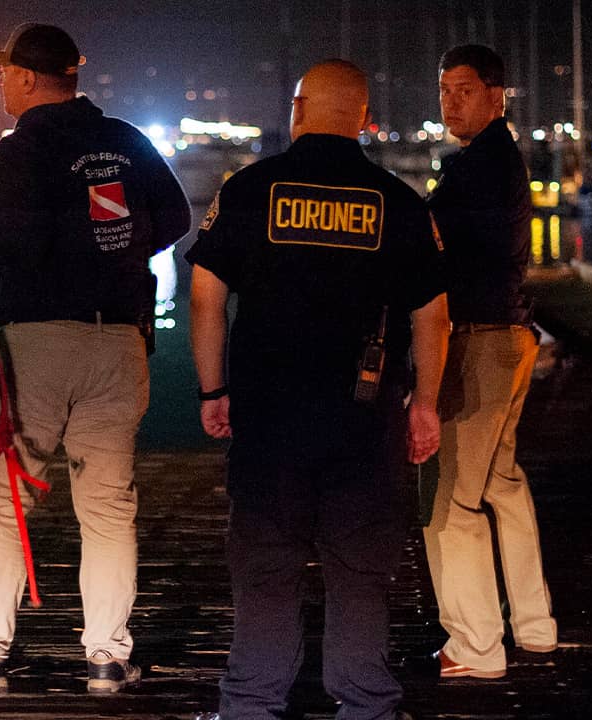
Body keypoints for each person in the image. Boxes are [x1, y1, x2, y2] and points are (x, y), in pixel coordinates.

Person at [0, 23, 190, 696]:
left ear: (31, 79)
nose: (0, 83)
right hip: (120, 340)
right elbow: (174, 219)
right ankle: (108, 660)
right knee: (109, 509)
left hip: (39, 343)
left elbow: (18, 246)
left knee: (3, 502)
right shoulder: (124, 139)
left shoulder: (20, 150)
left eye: (6, 73)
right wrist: (113, 250)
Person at [188, 59, 449, 720]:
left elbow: (205, 297)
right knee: (360, 574)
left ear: (299, 108)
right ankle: (365, 705)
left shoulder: (248, 191)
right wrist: (424, 405)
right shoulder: (399, 203)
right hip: (363, 427)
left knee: (266, 570)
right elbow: (433, 316)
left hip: (269, 423)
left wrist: (212, 390)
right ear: (364, 119)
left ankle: (252, 704)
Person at [421, 44, 558, 679]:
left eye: (465, 90)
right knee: (502, 483)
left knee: (453, 503)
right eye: (445, 89)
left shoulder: (480, 167)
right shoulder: (494, 160)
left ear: (497, 94)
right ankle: (533, 626)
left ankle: (476, 646)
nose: (451, 101)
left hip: (479, 340)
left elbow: (442, 257)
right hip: (512, 334)